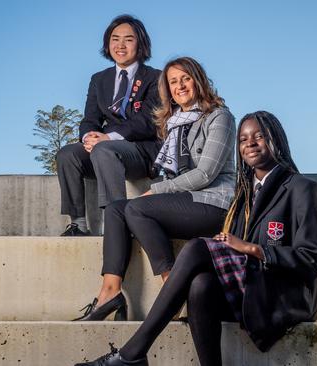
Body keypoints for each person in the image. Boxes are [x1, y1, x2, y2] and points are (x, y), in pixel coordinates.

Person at [74, 111, 317, 366]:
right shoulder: (244, 194)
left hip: (282, 298)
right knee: (200, 285)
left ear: (277, 140)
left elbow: (315, 259)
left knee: (198, 247)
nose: (250, 143)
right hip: (252, 289)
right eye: (243, 139)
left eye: (259, 136)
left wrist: (253, 249)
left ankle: (132, 354)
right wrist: (230, 244)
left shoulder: (303, 189)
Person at [73, 56, 236, 322]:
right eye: (173, 81)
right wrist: (160, 191)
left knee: (136, 207)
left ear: (199, 81)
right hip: (183, 202)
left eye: (186, 78)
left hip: (213, 203)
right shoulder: (172, 124)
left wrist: (158, 191)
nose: (180, 86)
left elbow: (205, 173)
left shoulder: (219, 117)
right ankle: (110, 293)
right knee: (116, 210)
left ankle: (173, 286)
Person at [56, 15, 161, 236]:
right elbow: (89, 120)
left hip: (141, 151)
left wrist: (108, 138)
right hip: (105, 150)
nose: (120, 45)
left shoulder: (155, 78)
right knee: (67, 154)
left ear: (140, 44)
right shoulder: (99, 79)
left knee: (105, 148)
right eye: (115, 39)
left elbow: (148, 121)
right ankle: (78, 224)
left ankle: (115, 220)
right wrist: (89, 138)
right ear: (108, 43)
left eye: (128, 39)